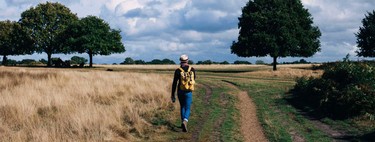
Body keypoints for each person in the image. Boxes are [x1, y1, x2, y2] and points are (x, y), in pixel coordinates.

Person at [171, 54, 196, 132]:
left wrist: (172, 94)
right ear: (187, 60)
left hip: (180, 91)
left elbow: (174, 83)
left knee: (182, 107)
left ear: (180, 61)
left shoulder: (178, 70)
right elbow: (193, 79)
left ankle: (183, 123)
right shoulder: (192, 69)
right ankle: (185, 121)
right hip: (188, 91)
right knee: (188, 107)